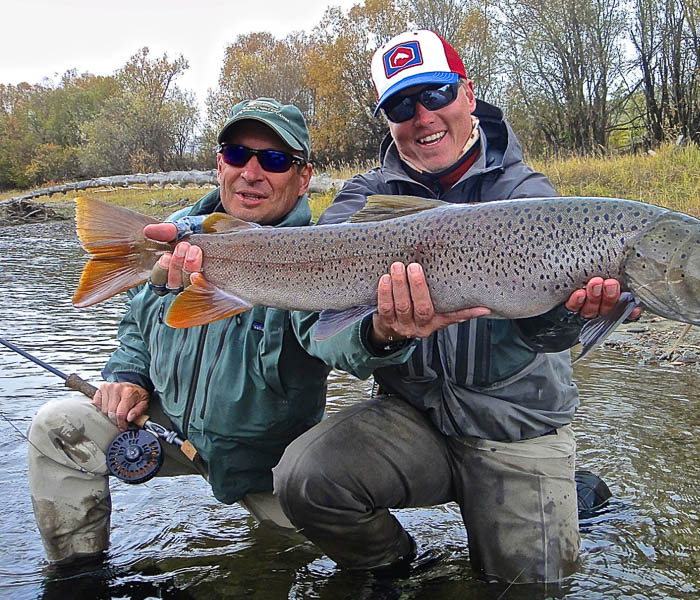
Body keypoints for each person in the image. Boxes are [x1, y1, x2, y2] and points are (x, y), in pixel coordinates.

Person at [269, 30, 641, 583]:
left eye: (436, 94)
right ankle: (395, 570)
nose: (422, 117)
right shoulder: (363, 200)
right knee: (304, 477)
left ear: (468, 94)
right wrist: (380, 334)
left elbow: (549, 337)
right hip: (412, 417)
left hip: (515, 425)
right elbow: (317, 332)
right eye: (400, 105)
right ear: (388, 120)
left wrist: (576, 314)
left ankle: (576, 499)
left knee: (532, 591)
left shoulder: (529, 198)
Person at [26, 98, 349, 566]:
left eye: (275, 160)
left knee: (337, 558)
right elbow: (138, 322)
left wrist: (383, 335)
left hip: (269, 465)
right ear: (220, 164)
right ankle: (79, 577)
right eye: (238, 155)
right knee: (56, 427)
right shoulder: (171, 241)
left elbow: (345, 349)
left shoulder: (322, 256)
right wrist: (128, 375)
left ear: (303, 179)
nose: (252, 172)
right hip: (168, 428)